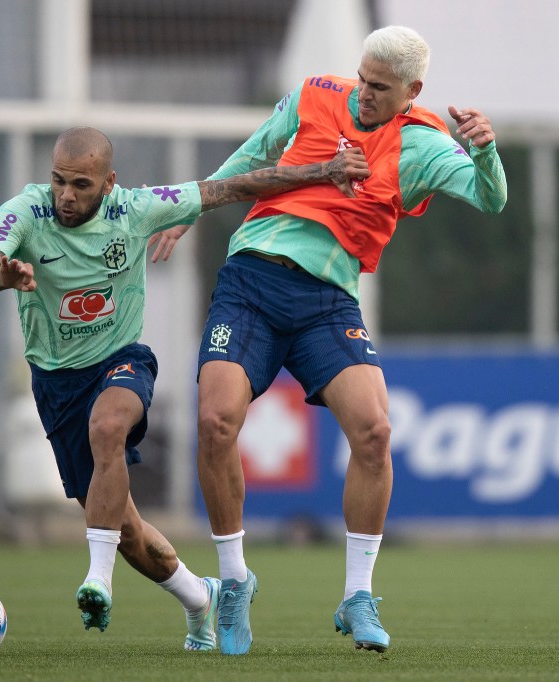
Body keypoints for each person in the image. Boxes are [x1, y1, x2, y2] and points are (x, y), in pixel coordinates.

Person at [0, 126, 368, 650]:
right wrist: (2, 276)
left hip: (120, 363)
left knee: (108, 426)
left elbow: (238, 187)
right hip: (55, 382)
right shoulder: (25, 211)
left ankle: (97, 579)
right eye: (59, 181)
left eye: (81, 184)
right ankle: (200, 597)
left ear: (109, 182)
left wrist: (324, 171)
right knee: (128, 531)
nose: (67, 195)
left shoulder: (137, 209)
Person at [192, 25, 507, 655]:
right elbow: (249, 158)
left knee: (376, 432)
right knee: (215, 421)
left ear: (412, 91)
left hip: (326, 302)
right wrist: (187, 209)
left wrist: (486, 152)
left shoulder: (422, 145)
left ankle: (357, 594)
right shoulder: (313, 95)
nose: (363, 93)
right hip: (251, 280)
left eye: (380, 87)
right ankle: (233, 582)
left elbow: (489, 198)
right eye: (361, 78)